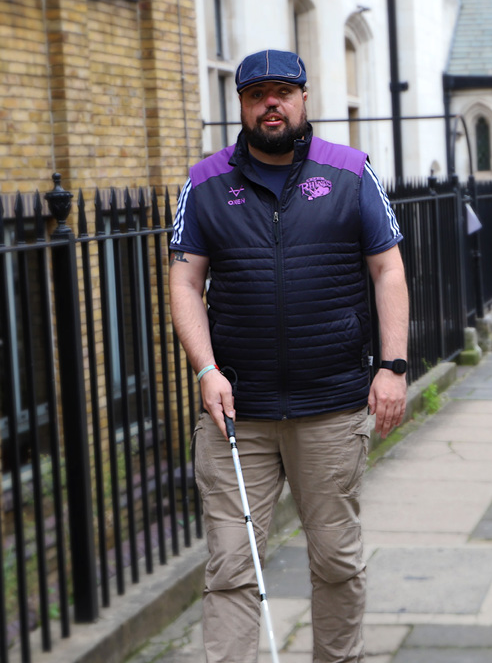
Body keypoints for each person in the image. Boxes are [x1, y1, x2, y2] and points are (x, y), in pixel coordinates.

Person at [168, 49, 409, 662]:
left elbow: (387, 269)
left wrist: (393, 366)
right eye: (256, 95)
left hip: (329, 406)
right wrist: (205, 369)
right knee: (230, 566)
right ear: (243, 106)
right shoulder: (203, 183)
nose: (270, 104)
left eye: (283, 92)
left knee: (335, 561)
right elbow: (183, 283)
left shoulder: (352, 171)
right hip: (236, 413)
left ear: (304, 100)